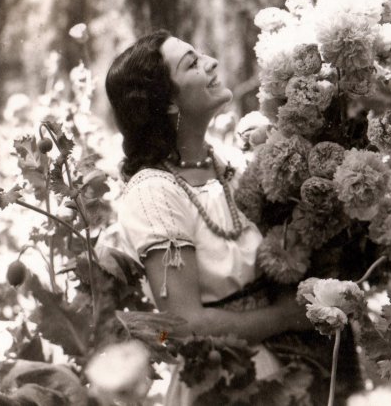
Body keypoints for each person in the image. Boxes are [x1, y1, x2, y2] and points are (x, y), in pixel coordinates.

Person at [105, 31, 309, 405]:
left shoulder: (231, 166)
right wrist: (287, 316)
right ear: (166, 103)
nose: (211, 62)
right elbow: (183, 326)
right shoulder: (154, 192)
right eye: (192, 63)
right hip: (220, 381)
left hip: (286, 369)